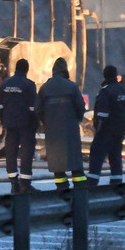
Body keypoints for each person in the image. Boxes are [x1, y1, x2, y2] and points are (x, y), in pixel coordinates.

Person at [35, 57, 88, 190]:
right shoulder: (72, 86)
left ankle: (62, 188)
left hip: (52, 130)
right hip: (70, 129)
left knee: (57, 161)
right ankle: (80, 187)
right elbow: (81, 107)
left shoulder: (45, 88)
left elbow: (38, 109)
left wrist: (45, 121)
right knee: (75, 159)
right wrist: (76, 119)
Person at [0, 58, 39, 193]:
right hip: (26, 125)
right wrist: (35, 123)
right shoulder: (29, 85)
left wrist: (4, 120)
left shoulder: (5, 84)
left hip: (10, 124)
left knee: (11, 152)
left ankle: (14, 183)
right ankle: (25, 184)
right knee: (26, 153)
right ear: (26, 70)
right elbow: (33, 108)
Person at [87, 65, 125, 186]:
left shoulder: (106, 91)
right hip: (120, 129)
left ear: (105, 75)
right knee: (115, 154)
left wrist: (98, 129)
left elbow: (102, 114)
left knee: (97, 154)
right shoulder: (124, 90)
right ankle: (116, 181)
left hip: (106, 130)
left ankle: (92, 182)